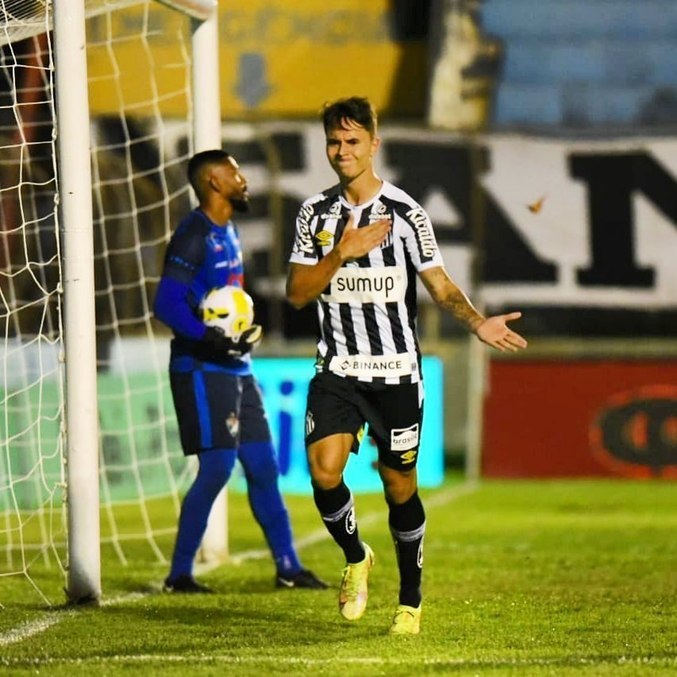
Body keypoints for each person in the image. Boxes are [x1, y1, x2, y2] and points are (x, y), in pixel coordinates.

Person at [285, 96, 527, 634]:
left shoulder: (406, 213)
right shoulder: (314, 215)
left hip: (396, 374)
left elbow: (438, 285)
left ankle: (410, 602)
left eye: (352, 141)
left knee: (399, 486)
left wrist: (477, 322)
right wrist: (340, 254)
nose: (342, 151)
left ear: (374, 144)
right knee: (324, 472)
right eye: (333, 141)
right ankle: (355, 556)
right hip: (338, 370)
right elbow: (298, 293)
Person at [154, 148, 327, 593]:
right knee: (216, 468)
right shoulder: (193, 234)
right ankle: (179, 575)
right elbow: (167, 303)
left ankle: (288, 567)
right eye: (234, 172)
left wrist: (240, 330)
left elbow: (224, 300)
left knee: (263, 466)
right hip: (201, 367)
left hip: (236, 366)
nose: (243, 179)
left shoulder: (227, 229)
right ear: (213, 182)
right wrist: (207, 335)